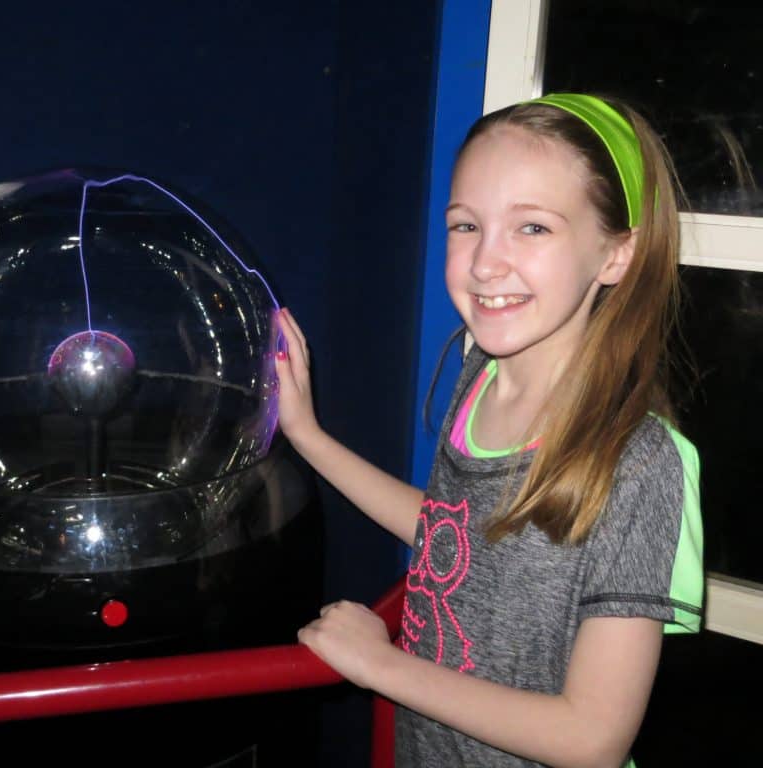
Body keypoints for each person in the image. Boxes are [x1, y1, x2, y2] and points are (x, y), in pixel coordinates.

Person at [273, 93, 704, 768]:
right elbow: (457, 537)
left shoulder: (641, 463)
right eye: (465, 225)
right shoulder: (479, 372)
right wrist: (307, 435)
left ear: (616, 255)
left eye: (532, 228)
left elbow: (592, 738)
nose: (484, 263)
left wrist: (381, 666)